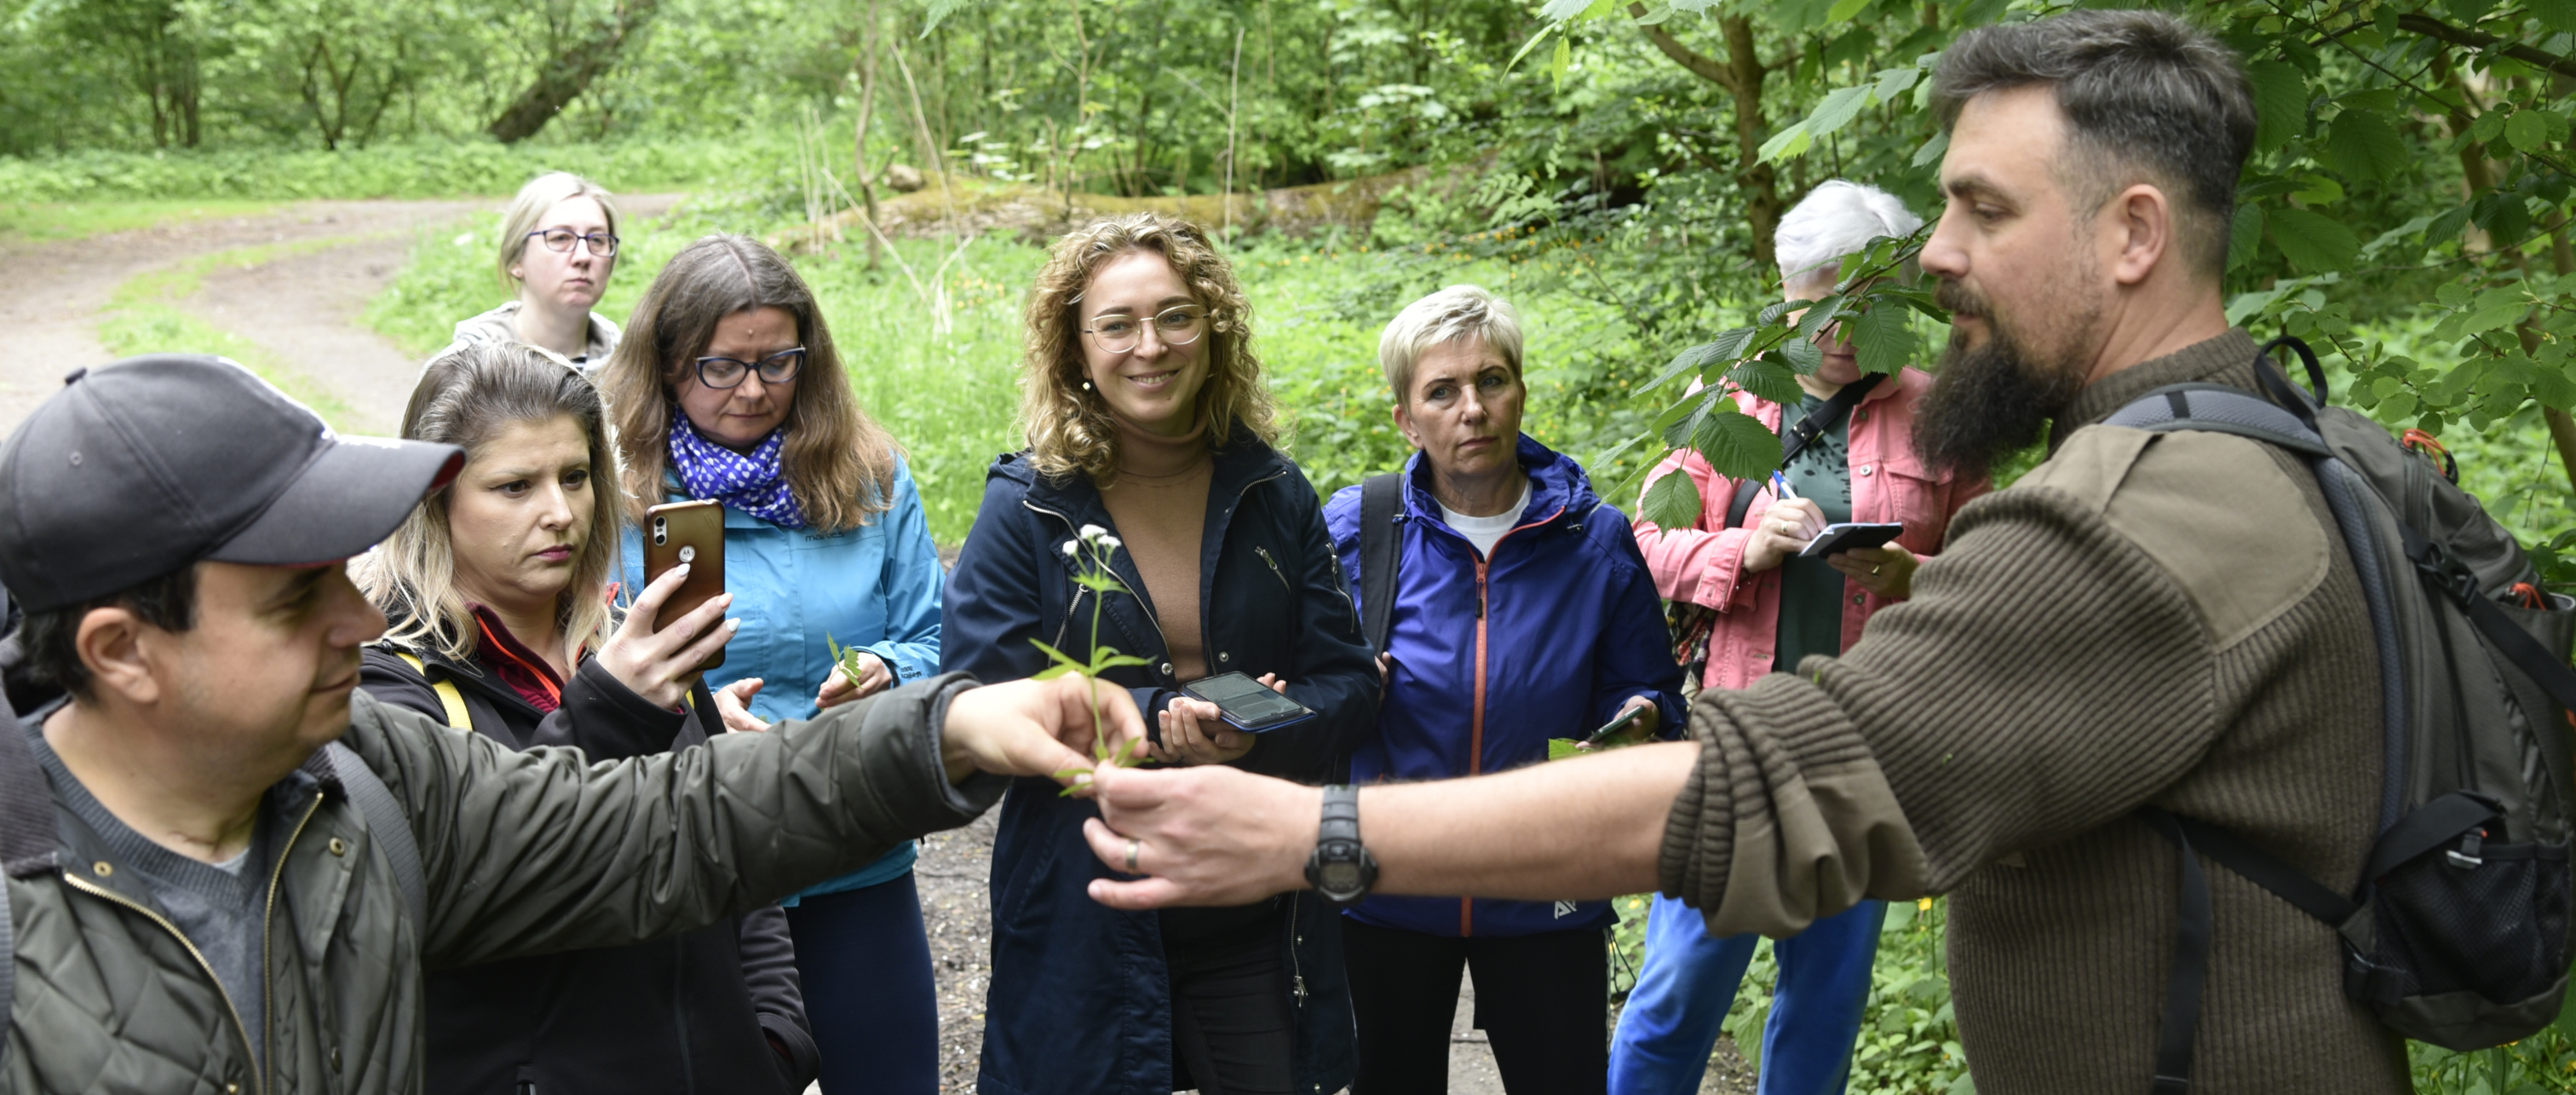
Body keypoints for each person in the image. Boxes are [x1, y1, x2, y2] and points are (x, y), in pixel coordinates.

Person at [1074, 12, 2412, 1094]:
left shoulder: (2128, 513)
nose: (1935, 260)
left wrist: (1321, 827)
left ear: (2133, 233)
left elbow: (1773, 785)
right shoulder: (2315, 444)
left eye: (1983, 212)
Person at [0, 352, 1141, 1093]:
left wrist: (945, 731)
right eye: (299, 595)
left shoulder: (364, 777)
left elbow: (671, 821)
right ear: (121, 650)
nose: (357, 614)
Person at [943, 211, 1377, 1095]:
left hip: (1251, 901)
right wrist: (1155, 724)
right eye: (1117, 323)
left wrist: (1258, 732)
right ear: (1076, 349)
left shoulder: (1272, 489)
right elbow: (978, 700)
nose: (1151, 346)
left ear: (1212, 329)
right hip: (1083, 902)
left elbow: (1349, 685)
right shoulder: (1028, 507)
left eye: (1176, 316)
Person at [351, 341, 820, 1094]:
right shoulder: (388, 687)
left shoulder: (629, 640)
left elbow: (729, 848)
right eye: (513, 486)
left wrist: (773, 1035)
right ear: (435, 499)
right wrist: (614, 708)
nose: (559, 513)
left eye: (574, 477)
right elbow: (498, 867)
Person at [1612, 182, 1991, 1095]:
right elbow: (1646, 546)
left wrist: (1916, 577)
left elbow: (1994, 577)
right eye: (1819, 301)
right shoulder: (1731, 404)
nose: (1839, 328)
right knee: (1676, 992)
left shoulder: (1941, 414)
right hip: (1737, 740)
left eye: (1862, 301)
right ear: (1786, 290)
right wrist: (1745, 545)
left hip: (1865, 750)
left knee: (1824, 1001)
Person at [596, 233, 948, 1095]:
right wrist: (697, 720)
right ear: (667, 361)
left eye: (777, 362)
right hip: (694, 860)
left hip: (852, 841)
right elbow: (581, 670)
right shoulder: (615, 488)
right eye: (722, 367)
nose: (753, 390)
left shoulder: (870, 475)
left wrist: (884, 669)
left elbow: (933, 637)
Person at [1320, 285, 1682, 1093]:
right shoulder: (1357, 526)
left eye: (1491, 381)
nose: (1472, 409)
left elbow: (1649, 687)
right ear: (1406, 420)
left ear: (1521, 390)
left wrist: (1639, 716)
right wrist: (1343, 686)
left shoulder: (1596, 538)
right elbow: (1301, 680)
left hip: (1545, 875)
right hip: (1385, 874)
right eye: (1441, 391)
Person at [451, 171, 625, 371]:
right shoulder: (465, 371)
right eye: (560, 238)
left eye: (597, 240)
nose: (583, 256)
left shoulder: (633, 369)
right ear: (517, 258)